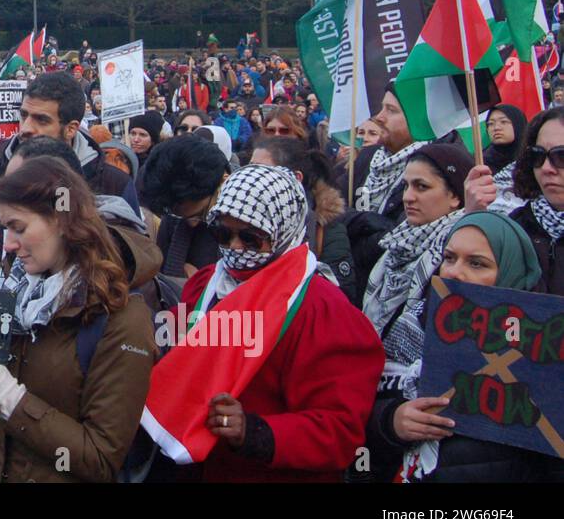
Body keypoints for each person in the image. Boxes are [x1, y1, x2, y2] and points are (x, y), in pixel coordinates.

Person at [160, 164, 384, 482]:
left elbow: (339, 431)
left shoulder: (322, 310)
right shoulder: (206, 284)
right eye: (223, 234)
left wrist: (254, 432)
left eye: (251, 238)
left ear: (283, 231)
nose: (235, 248)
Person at [0, 157, 156, 482]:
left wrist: (7, 396)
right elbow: (1, 427)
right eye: (5, 228)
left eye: (19, 228)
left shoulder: (122, 319)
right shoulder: (21, 294)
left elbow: (101, 458)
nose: (9, 244)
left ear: (63, 221)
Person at [366, 212, 564, 482]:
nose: (454, 272)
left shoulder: (545, 354)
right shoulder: (411, 323)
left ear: (510, 271)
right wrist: (391, 422)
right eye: (449, 258)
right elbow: (359, 432)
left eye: (477, 263)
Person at [0, 72, 133, 286]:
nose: (26, 128)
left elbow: (125, 267)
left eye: (41, 120)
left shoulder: (112, 184)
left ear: (71, 128)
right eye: (24, 115)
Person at [362, 144, 472, 342]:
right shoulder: (397, 243)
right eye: (406, 186)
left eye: (422, 186)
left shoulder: (460, 254)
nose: (407, 197)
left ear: (455, 196)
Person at [465, 106, 564, 294]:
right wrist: (472, 219)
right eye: (538, 155)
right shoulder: (514, 229)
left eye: (561, 156)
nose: (546, 168)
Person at [140, 135, 228, 279]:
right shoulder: (172, 217)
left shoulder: (245, 227)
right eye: (179, 215)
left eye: (202, 214)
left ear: (223, 181)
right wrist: (183, 293)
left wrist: (203, 288)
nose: (191, 223)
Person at [350, 85, 422, 220]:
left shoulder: (430, 167)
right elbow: (337, 208)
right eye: (382, 108)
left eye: (391, 110)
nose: (379, 117)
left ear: (415, 118)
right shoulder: (369, 156)